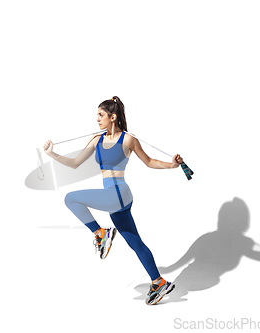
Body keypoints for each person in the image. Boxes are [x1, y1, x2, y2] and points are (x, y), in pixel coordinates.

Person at [43, 96, 183, 305]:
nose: (97, 119)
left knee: (71, 198)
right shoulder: (96, 139)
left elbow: (149, 161)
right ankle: (158, 282)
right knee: (135, 242)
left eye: (101, 115)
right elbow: (74, 163)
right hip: (113, 198)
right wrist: (51, 153)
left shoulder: (127, 139)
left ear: (113, 116)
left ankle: (101, 233)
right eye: (97, 115)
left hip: (119, 193)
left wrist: (172, 165)